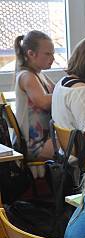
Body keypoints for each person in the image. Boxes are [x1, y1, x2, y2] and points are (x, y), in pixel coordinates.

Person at [13, 31, 56, 161]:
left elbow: (59, 90)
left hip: (44, 139)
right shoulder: (27, 76)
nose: (53, 58)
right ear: (31, 54)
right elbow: (43, 101)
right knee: (78, 138)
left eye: (53, 53)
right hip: (33, 146)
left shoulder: (40, 74)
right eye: (48, 54)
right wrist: (66, 95)